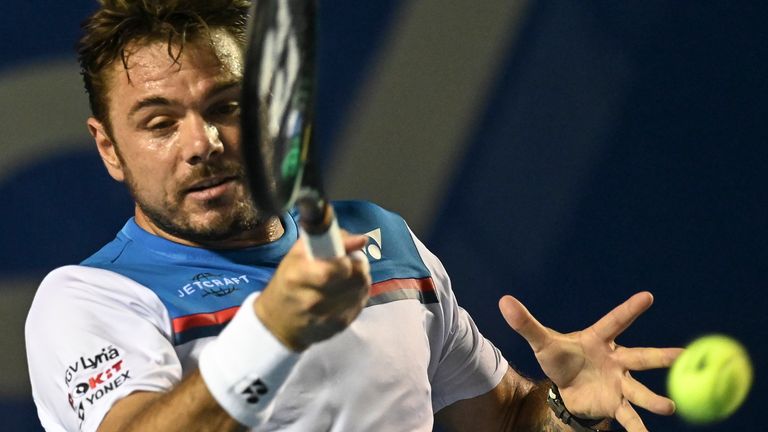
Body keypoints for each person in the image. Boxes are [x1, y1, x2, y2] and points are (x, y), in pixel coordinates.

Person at [25, 1, 682, 431]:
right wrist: (275, 329)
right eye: (160, 122)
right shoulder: (92, 301)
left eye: (227, 105)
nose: (203, 143)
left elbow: (503, 417)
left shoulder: (382, 241)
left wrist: (566, 407)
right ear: (109, 149)